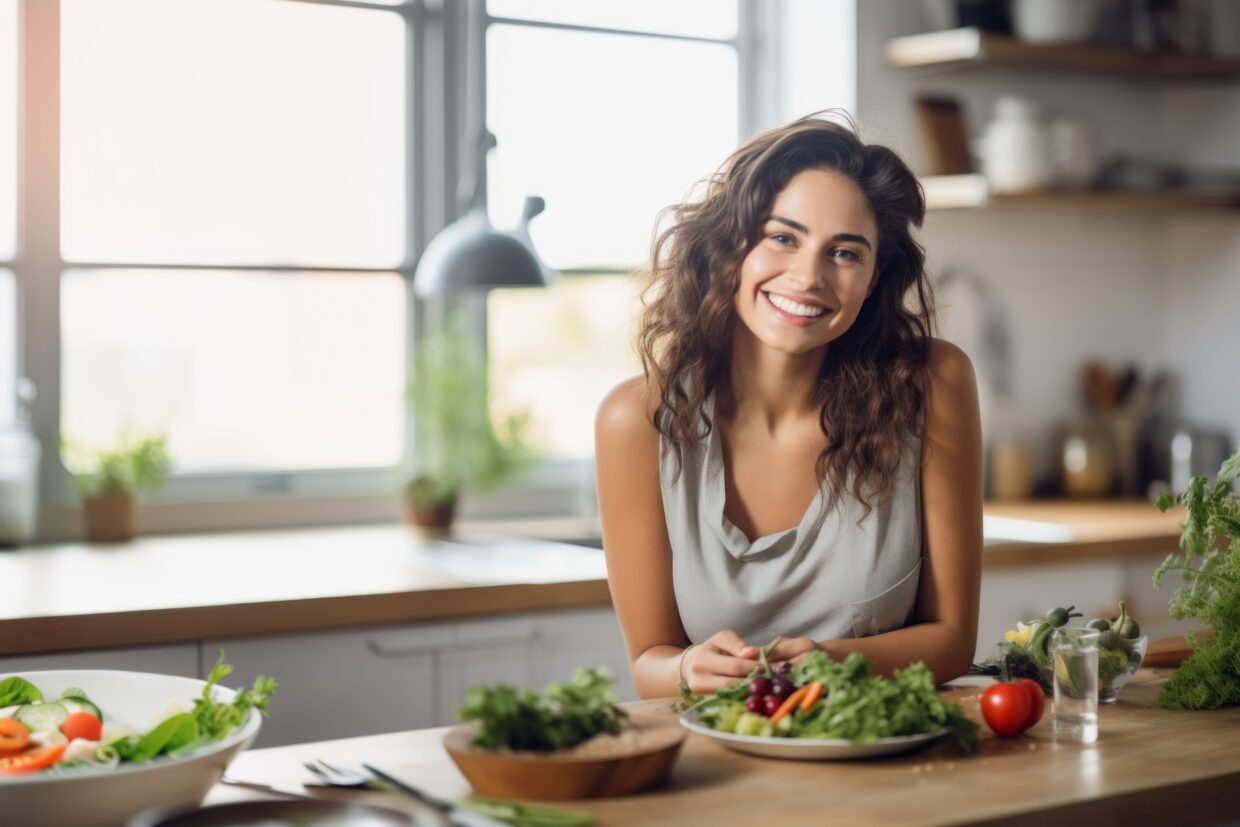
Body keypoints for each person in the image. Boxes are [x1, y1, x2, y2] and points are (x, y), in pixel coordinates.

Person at [595, 113, 982, 699]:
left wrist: (829, 661)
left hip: (892, 759)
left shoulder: (931, 384)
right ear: (732, 246)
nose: (807, 277)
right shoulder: (636, 422)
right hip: (723, 763)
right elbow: (650, 661)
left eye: (846, 253)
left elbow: (952, 639)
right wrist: (686, 669)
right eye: (782, 237)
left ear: (875, 277)